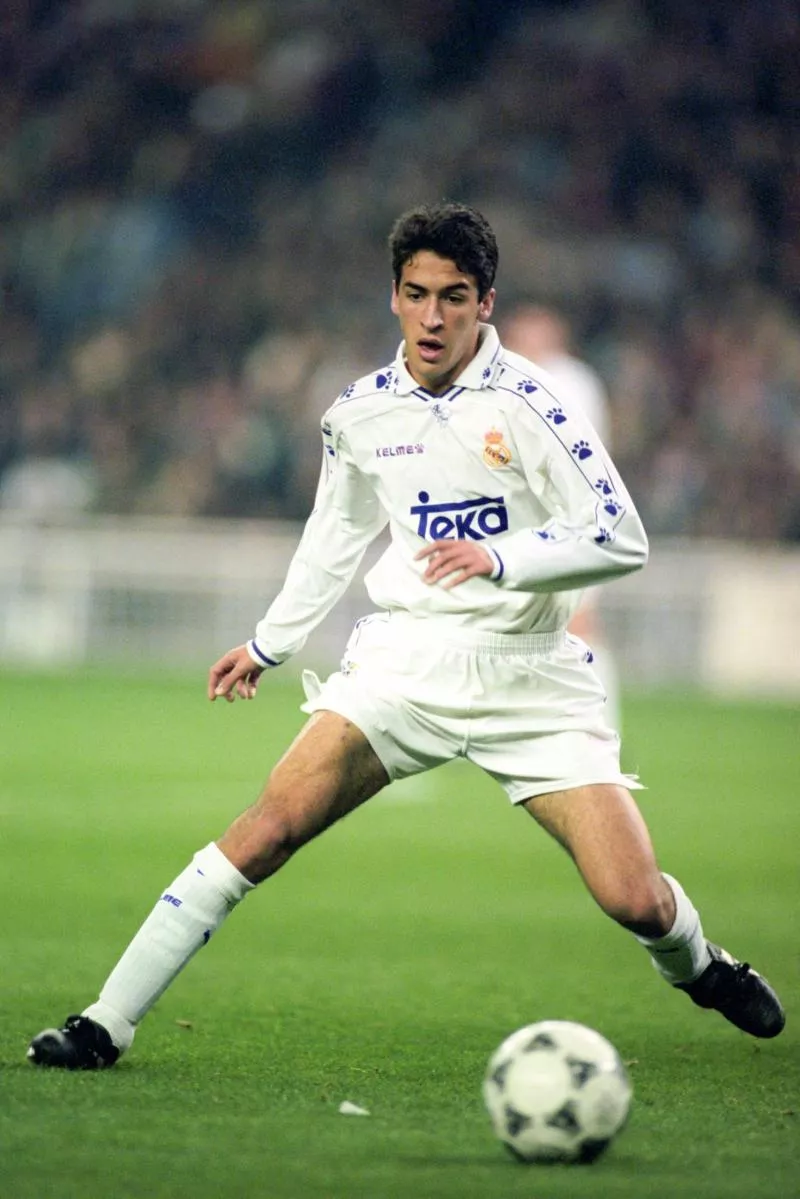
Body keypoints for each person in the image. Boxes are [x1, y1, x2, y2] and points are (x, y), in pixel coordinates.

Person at [28, 202, 784, 1071]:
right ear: (393, 295)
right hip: (407, 663)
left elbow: (622, 537)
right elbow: (333, 537)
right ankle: (104, 1022)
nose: (432, 316)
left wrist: (499, 557)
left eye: (453, 297)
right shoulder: (359, 413)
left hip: (530, 676)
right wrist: (270, 643)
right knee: (266, 828)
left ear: (485, 303)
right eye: (416, 294)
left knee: (635, 899)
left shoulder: (533, 405)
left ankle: (703, 967)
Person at [500, 303, 621, 728]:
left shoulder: (568, 379)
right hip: (544, 522)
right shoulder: (525, 380)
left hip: (576, 520)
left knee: (579, 623)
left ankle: (601, 724)